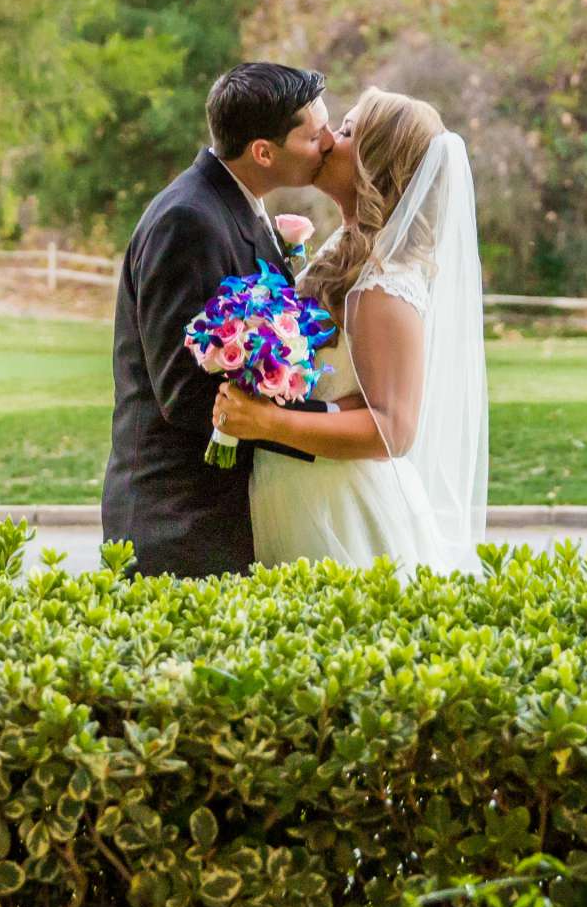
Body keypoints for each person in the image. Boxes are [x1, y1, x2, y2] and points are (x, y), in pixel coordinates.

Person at [215, 89, 489, 573]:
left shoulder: (384, 282)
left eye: (344, 132)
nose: (325, 139)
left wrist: (269, 422)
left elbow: (393, 430)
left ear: (372, 164)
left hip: (338, 510)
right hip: (299, 490)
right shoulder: (347, 250)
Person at [101, 62, 334, 577]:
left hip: (222, 511)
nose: (328, 143)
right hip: (179, 520)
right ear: (263, 151)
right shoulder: (188, 219)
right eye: (314, 134)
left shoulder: (234, 205)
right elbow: (185, 394)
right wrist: (330, 426)